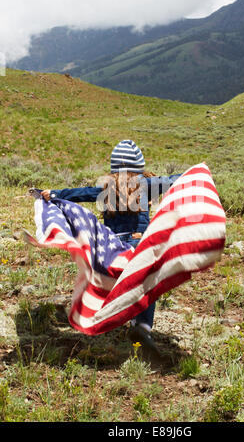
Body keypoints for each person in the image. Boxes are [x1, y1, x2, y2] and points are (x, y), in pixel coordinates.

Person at [41, 140, 181, 360]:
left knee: (117, 286)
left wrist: (56, 194)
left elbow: (82, 193)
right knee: (147, 285)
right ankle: (142, 328)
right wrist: (196, 173)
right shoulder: (149, 184)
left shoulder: (105, 189)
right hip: (138, 246)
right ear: (139, 164)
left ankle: (110, 319)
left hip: (113, 249)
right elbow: (175, 181)